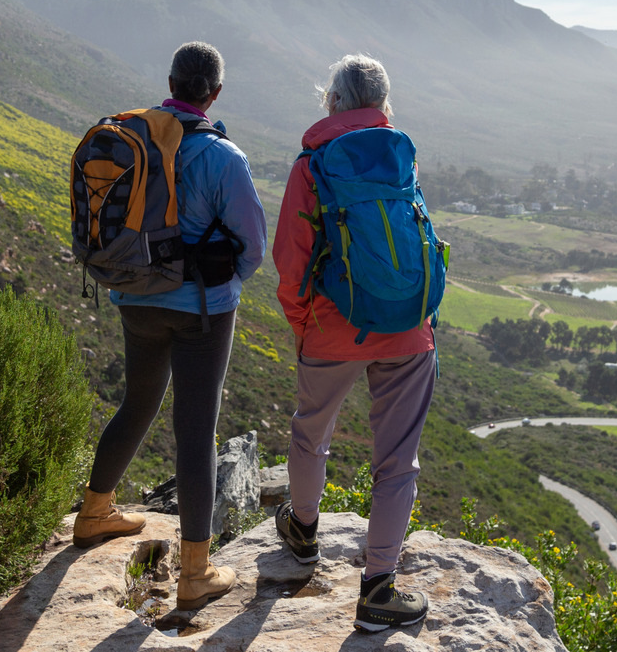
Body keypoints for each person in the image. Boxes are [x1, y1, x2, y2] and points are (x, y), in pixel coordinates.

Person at [73, 41, 268, 610]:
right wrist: (227, 281)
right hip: (202, 308)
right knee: (196, 428)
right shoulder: (223, 156)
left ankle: (93, 513)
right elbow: (252, 246)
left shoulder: (134, 138)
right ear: (215, 93)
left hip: (134, 296)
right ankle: (195, 572)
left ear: (170, 82)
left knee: (137, 402)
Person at [272, 53, 436, 633]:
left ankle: (304, 534)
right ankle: (378, 590)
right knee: (397, 461)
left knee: (310, 433)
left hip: (332, 328)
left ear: (333, 102)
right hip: (409, 330)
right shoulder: (399, 156)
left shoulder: (312, 164)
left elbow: (290, 266)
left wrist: (305, 325)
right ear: (385, 105)